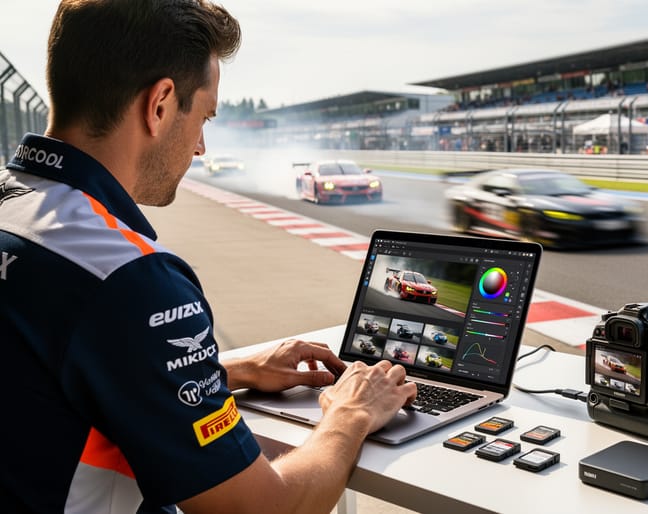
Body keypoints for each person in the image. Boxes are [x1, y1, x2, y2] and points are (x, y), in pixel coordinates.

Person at [0, 2, 417, 513]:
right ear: (159, 104)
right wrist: (351, 412)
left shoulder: (12, 212)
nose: (200, 146)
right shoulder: (129, 277)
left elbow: (47, 374)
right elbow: (265, 508)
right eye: (204, 117)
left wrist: (224, 370)